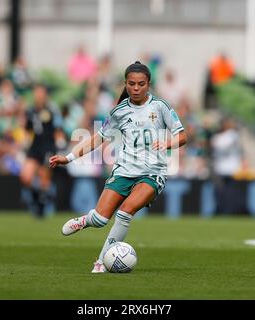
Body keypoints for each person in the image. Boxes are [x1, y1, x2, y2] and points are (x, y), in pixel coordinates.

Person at [49, 61, 187, 273]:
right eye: (131, 84)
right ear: (126, 84)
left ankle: (102, 261)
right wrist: (68, 157)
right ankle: (86, 220)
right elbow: (97, 138)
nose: (136, 88)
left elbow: (183, 135)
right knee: (100, 219)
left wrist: (167, 143)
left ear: (148, 84)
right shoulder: (119, 111)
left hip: (153, 173)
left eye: (141, 84)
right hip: (123, 170)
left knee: (125, 211)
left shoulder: (161, 107)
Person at [20, 84, 63, 218]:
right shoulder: (31, 110)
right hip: (35, 146)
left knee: (44, 179)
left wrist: (60, 145)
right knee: (26, 177)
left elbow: (58, 129)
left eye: (40, 93)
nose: (38, 95)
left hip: (48, 147)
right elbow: (28, 130)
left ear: (45, 94)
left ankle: (42, 207)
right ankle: (37, 200)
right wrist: (24, 143)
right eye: (36, 92)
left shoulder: (52, 109)